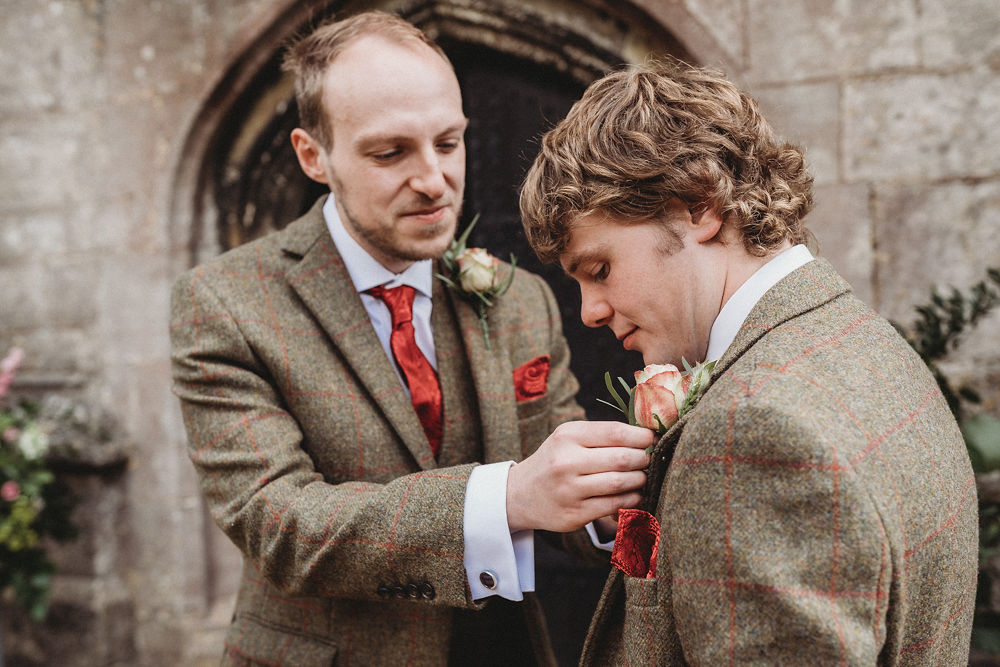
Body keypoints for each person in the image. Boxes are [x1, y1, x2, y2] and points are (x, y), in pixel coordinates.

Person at [169, 11, 653, 666]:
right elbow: (280, 525)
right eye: (390, 152)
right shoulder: (226, 303)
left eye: (448, 143)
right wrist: (507, 496)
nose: (433, 180)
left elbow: (551, 480)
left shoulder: (518, 297)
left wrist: (603, 503)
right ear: (314, 156)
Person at [519, 60, 978, 665]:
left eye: (599, 269)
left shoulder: (755, 432)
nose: (589, 312)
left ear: (699, 206)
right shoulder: (867, 342)